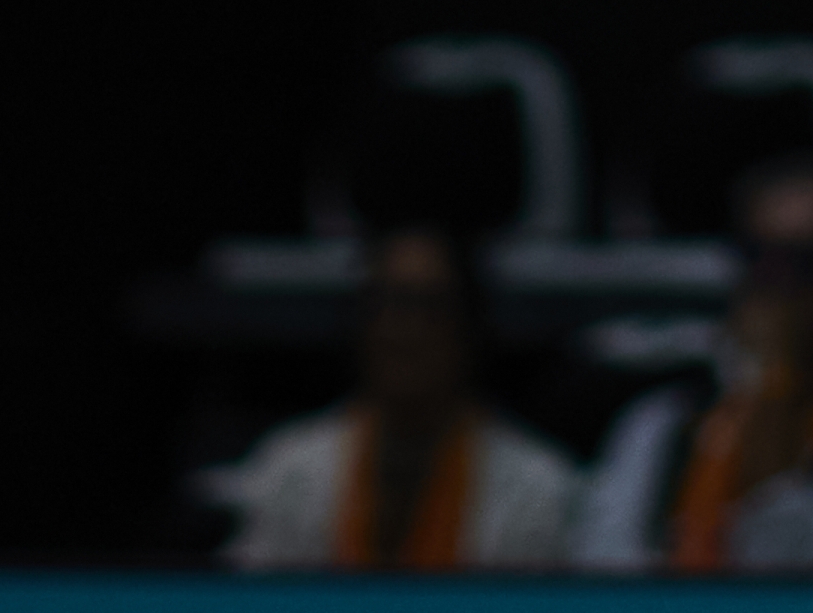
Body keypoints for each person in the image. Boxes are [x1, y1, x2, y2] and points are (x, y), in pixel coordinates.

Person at [571, 160, 813, 574]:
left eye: (807, 263)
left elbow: (787, 581)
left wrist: (771, 388)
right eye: (758, 258)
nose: (776, 285)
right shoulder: (663, 423)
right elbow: (601, 577)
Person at [214, 227, 577, 570]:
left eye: (428, 306)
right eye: (386, 302)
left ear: (470, 328)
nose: (404, 329)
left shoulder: (538, 489)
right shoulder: (290, 470)